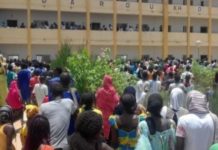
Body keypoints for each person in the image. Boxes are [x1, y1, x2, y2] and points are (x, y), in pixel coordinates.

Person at [40, 83, 77, 150]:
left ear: (51, 94)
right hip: (65, 146)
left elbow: (38, 124)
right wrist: (73, 93)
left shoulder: (43, 107)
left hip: (49, 147)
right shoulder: (69, 102)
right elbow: (75, 108)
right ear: (62, 93)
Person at [96, 75, 119, 140]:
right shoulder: (113, 92)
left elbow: (96, 100)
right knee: (109, 132)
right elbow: (117, 101)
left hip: (101, 114)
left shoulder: (100, 91)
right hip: (110, 115)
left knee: (101, 131)